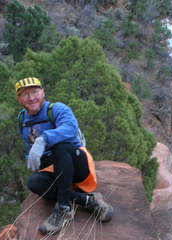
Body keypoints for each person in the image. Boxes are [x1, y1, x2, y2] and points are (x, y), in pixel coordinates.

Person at [15, 77, 113, 235]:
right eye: (25, 94)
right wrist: (31, 157)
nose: (32, 97)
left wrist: (44, 139)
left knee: (61, 147)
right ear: (19, 99)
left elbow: (70, 128)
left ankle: (63, 207)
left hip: (76, 162)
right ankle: (87, 200)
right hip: (54, 168)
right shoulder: (22, 119)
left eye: (35, 92)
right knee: (34, 183)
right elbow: (29, 144)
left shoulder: (56, 109)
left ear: (43, 92)